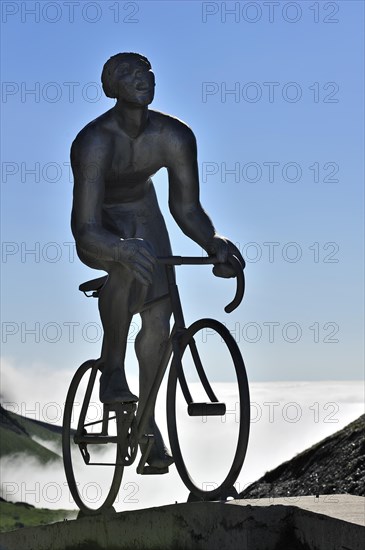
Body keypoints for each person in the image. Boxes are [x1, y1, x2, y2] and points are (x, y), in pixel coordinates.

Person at [71, 52, 243, 470]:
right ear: (112, 88)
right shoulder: (94, 142)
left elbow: (187, 209)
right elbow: (85, 226)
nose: (141, 79)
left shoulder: (175, 136)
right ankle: (112, 369)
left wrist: (213, 242)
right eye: (128, 74)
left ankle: (146, 427)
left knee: (159, 320)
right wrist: (118, 249)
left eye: (145, 71)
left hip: (146, 216)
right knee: (128, 265)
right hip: (101, 225)